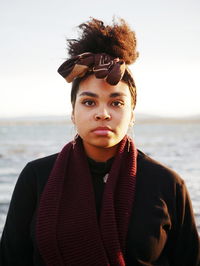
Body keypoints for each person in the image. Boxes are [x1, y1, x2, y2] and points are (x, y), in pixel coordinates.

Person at [0, 18, 199, 266]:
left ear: (132, 114)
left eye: (116, 103)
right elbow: (11, 258)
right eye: (89, 102)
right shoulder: (36, 177)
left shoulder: (167, 183)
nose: (102, 113)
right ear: (73, 112)